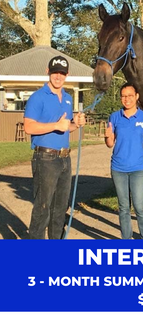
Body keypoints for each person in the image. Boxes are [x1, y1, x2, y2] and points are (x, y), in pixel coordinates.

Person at [24, 55, 86, 239]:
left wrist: (75, 123)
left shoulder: (67, 98)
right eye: (54, 72)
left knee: (60, 209)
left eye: (62, 73)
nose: (58, 76)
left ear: (67, 75)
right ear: (47, 72)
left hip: (64, 159)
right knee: (43, 208)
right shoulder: (38, 97)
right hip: (45, 159)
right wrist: (56, 126)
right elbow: (29, 127)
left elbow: (65, 127)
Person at [105, 83, 143, 239]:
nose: (126, 99)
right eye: (123, 96)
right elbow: (110, 144)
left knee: (140, 207)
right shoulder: (114, 117)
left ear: (137, 97)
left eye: (130, 96)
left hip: (138, 168)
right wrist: (108, 136)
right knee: (124, 208)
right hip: (118, 168)